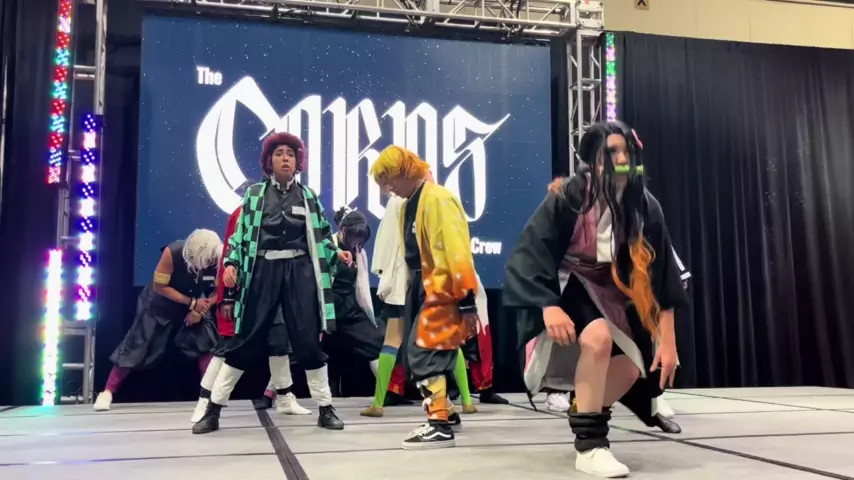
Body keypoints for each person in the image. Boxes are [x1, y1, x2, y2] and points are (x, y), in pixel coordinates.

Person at [503, 121, 688, 478]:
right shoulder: (568, 195)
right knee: (597, 338)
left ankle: (584, 407)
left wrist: (668, 341)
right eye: (611, 152)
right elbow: (531, 250)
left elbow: (663, 275)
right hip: (569, 281)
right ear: (594, 160)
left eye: (626, 151)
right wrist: (549, 305)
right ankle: (590, 446)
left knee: (632, 368)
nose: (621, 158)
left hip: (614, 290)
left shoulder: (645, 206)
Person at [192, 132, 349, 434]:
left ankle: (326, 408)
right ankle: (213, 411)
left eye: (290, 153)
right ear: (269, 161)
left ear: (298, 161)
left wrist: (337, 252)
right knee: (244, 342)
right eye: (279, 153)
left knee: (308, 343)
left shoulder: (309, 197)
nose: (285, 158)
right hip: (263, 271)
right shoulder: (254, 195)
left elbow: (321, 237)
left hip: (300, 272)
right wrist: (231, 263)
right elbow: (238, 237)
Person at [369, 145, 480, 450]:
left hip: (444, 285)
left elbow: (456, 251)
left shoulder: (437, 199)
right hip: (423, 283)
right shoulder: (410, 204)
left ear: (404, 172)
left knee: (423, 350)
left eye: (389, 179)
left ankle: (439, 424)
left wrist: (465, 300)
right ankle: (447, 414)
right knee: (427, 351)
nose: (387, 188)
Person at [535, 243, 690, 424]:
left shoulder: (642, 228)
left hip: (616, 285)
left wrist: (668, 337)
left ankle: (646, 395)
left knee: (631, 362)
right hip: (573, 280)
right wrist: (548, 306)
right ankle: (570, 403)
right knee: (595, 338)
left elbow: (668, 270)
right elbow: (536, 255)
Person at [191, 206, 310, 423]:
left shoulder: (283, 209)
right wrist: (228, 297)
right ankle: (205, 401)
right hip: (248, 292)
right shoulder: (245, 211)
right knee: (228, 348)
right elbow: (231, 252)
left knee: (279, 343)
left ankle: (285, 398)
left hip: (275, 288)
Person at [94, 229, 223, 411]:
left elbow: (219, 290)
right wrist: (192, 303)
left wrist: (201, 309)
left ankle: (208, 396)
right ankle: (107, 392)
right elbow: (160, 286)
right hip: (160, 303)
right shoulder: (173, 253)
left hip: (195, 304)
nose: (208, 261)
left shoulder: (218, 257)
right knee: (136, 346)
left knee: (207, 342)